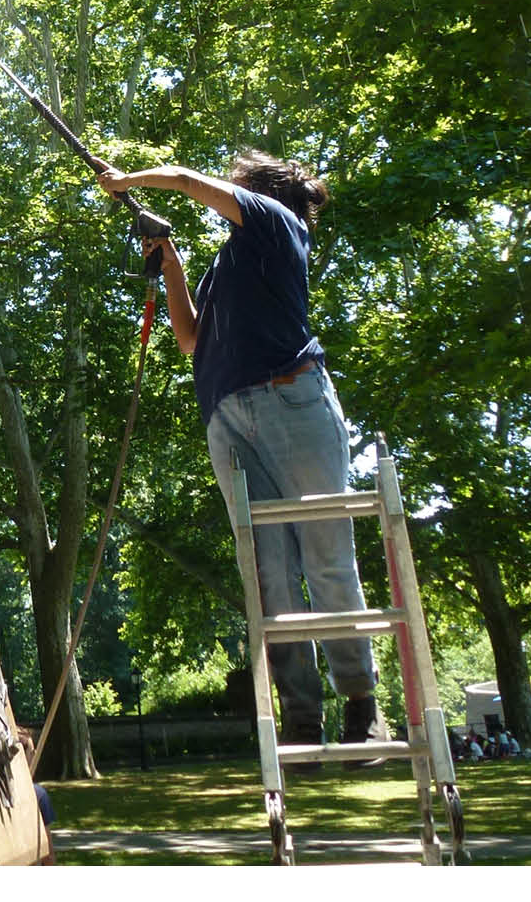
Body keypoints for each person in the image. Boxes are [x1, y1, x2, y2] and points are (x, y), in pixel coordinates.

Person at [96, 149, 389, 767]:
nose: (230, 196)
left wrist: (129, 180)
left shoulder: (280, 222)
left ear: (260, 192)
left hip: (292, 399)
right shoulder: (227, 267)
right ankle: (304, 718)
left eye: (237, 189)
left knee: (326, 556)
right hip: (228, 417)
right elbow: (190, 339)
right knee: (268, 575)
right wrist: (172, 267)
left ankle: (362, 707)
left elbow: (183, 181)